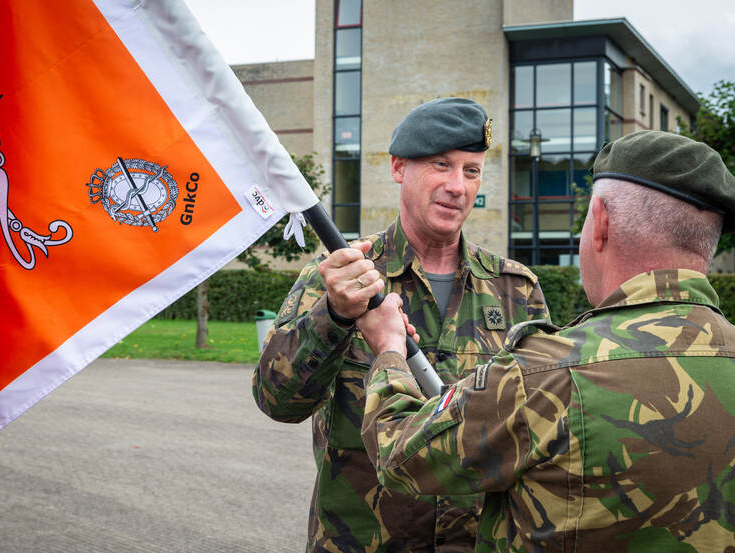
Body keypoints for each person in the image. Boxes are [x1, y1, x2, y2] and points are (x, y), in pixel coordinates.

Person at [358, 130, 735, 552]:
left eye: (470, 171)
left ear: (601, 221)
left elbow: (399, 454)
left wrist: (389, 348)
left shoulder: (544, 373)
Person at [253, 97, 550, 552]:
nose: (458, 186)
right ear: (398, 169)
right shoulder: (340, 276)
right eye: (441, 165)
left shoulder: (515, 290)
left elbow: (542, 426)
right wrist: (333, 316)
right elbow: (278, 401)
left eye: (471, 171)